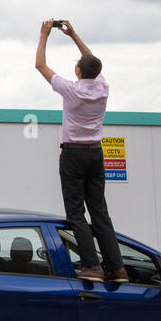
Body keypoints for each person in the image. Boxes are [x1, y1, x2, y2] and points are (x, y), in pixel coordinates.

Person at [34, 19, 126, 283]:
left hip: (73, 154)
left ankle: (91, 266)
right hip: (96, 154)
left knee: (76, 213)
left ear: (77, 71)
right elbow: (92, 61)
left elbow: (40, 65)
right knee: (100, 211)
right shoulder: (102, 88)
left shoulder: (71, 90)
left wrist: (44, 35)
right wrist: (74, 35)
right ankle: (117, 268)